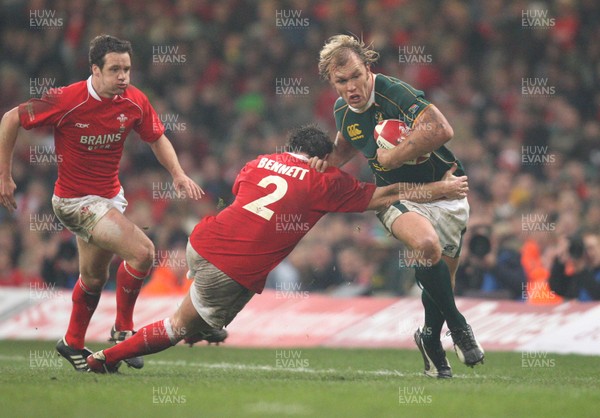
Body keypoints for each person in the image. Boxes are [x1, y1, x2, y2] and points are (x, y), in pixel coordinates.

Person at [85, 125, 468, 373]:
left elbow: (240, 195)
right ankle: (106, 359)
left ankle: (194, 327)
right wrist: (441, 190)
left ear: (291, 147)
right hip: (231, 268)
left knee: (211, 320)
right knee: (179, 325)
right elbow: (388, 195)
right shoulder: (325, 179)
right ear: (323, 155)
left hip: (201, 242)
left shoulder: (259, 161)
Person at [0, 35, 205, 371]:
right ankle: (123, 331)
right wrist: (4, 176)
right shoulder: (67, 99)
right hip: (74, 202)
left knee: (94, 278)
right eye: (114, 69)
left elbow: (157, 137)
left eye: (126, 69)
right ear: (95, 69)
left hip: (109, 198)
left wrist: (178, 174)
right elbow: (11, 118)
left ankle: (71, 341)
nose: (123, 76)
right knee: (142, 253)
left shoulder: (134, 100)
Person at [317, 34, 484, 378]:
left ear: (367, 68)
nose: (351, 87)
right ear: (332, 82)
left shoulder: (395, 92)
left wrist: (392, 155)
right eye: (341, 81)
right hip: (398, 196)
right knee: (425, 245)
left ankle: (429, 338)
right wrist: (324, 161)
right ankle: (460, 326)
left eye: (355, 76)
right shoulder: (341, 111)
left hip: (447, 191)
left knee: (439, 280)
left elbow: (440, 128)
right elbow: (347, 144)